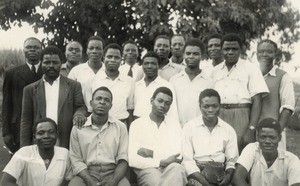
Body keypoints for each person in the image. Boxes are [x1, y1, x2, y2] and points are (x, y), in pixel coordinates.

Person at [20, 45, 87, 149]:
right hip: (41, 140)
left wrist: (79, 115)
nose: (51, 65)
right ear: (41, 63)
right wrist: (24, 149)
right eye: (47, 62)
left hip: (65, 139)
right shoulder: (30, 89)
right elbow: (26, 121)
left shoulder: (74, 86)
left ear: (61, 63)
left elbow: (81, 107)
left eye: (55, 62)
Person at [211, 33, 269, 151]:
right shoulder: (215, 71)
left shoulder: (250, 68)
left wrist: (251, 128)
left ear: (241, 50)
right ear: (221, 50)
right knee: (218, 152)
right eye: (227, 49)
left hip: (241, 115)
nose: (230, 52)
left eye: (234, 49)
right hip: (219, 115)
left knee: (241, 152)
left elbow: (257, 100)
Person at [69, 86, 130, 186]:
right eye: (98, 98)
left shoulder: (120, 127)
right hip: (86, 173)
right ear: (91, 103)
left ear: (111, 105)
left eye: (107, 100)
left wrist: (113, 182)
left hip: (113, 172)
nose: (102, 102)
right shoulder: (78, 128)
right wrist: (90, 182)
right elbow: (76, 160)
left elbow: (123, 159)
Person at [129, 87, 187, 186]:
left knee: (178, 170)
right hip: (148, 169)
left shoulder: (174, 124)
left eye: (167, 103)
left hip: (171, 168)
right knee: (157, 182)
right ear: (152, 101)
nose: (163, 105)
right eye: (160, 101)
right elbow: (133, 160)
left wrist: (151, 153)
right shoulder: (137, 124)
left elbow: (178, 155)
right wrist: (160, 162)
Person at [182, 89, 239, 186]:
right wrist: (204, 182)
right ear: (200, 107)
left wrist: (228, 177)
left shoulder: (228, 130)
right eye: (206, 106)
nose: (210, 110)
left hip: (220, 173)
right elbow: (187, 161)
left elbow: (231, 161)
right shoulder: (189, 127)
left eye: (214, 106)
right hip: (197, 174)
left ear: (219, 106)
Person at [1, 118, 72, 186]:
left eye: (51, 132)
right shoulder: (24, 153)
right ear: (34, 137)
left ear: (57, 135)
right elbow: (6, 182)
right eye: (41, 133)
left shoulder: (64, 154)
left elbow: (68, 180)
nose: (46, 136)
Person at [2, 37, 43, 153]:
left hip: (43, 125)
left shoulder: (48, 72)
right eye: (29, 47)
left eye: (36, 47)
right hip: (18, 127)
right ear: (23, 50)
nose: (32, 50)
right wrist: (6, 132)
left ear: (41, 50)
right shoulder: (12, 74)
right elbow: (6, 104)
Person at [232, 118, 300, 186]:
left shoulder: (291, 160)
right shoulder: (252, 149)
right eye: (263, 137)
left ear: (279, 138)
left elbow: (296, 184)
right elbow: (237, 178)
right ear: (257, 137)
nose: (267, 141)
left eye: (272, 137)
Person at [84, 43, 135, 127]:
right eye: (109, 57)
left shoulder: (129, 81)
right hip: (98, 126)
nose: (113, 60)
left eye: (116, 57)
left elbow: (130, 109)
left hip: (121, 125)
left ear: (121, 60)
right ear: (104, 58)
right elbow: (89, 110)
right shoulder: (92, 81)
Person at [257, 39, 295, 150]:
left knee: (273, 164)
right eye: (261, 51)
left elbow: (287, 108)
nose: (264, 54)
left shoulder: (282, 76)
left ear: (275, 54)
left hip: (272, 132)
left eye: (269, 51)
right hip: (252, 131)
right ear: (256, 54)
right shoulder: (251, 74)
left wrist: (277, 132)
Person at [170, 38, 212, 126]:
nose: (191, 56)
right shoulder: (174, 80)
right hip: (178, 129)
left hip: (200, 129)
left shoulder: (209, 82)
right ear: (183, 55)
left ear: (202, 56)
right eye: (188, 53)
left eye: (196, 54)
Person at [133, 51, 178, 120]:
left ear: (158, 66)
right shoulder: (136, 85)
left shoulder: (166, 85)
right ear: (142, 66)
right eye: (146, 63)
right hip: (137, 125)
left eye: (153, 64)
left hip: (157, 125)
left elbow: (172, 113)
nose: (149, 66)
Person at [68, 36, 105, 106]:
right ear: (87, 51)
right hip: (82, 113)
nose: (94, 51)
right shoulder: (76, 71)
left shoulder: (109, 71)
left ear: (103, 51)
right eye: (91, 48)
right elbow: (69, 95)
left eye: (98, 48)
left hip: (106, 114)